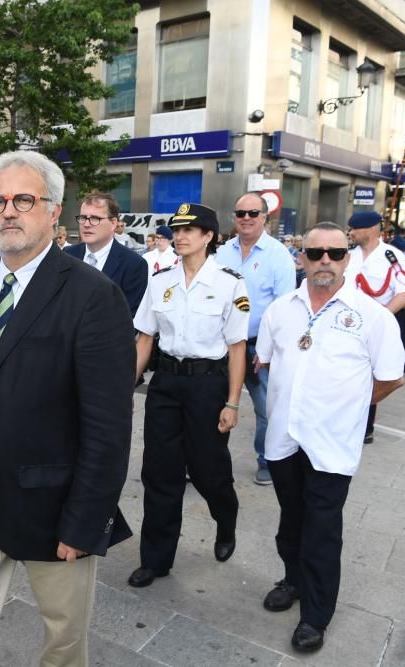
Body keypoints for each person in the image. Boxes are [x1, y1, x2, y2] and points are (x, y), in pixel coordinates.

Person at [0, 152, 134, 667]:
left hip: (52, 507)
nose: (9, 211)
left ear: (54, 211)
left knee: (63, 638)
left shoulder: (92, 295)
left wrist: (85, 522)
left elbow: (108, 424)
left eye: (24, 200)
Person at [256, 222, 405, 653]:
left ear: (348, 258)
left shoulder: (372, 316)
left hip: (331, 443)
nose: (325, 260)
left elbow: (391, 378)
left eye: (335, 253)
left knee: (322, 530)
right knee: (290, 520)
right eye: (315, 252)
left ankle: (315, 615)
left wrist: (353, 406)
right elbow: (264, 362)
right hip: (285, 438)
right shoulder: (280, 310)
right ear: (300, 257)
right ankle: (293, 580)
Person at [129, 202, 248, 589]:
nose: (179, 236)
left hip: (208, 387)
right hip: (166, 384)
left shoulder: (229, 283)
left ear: (209, 237)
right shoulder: (160, 280)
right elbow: (145, 337)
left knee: (208, 471)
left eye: (189, 230)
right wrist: (126, 385)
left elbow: (236, 348)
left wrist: (232, 402)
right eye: (176, 230)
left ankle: (225, 518)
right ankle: (155, 559)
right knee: (159, 473)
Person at [216, 193, 296, 485]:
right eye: (240, 213)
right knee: (212, 404)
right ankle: (208, 461)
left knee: (267, 410)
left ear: (265, 217)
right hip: (222, 347)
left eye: (253, 213)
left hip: (258, 349)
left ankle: (266, 461)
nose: (246, 218)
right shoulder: (222, 253)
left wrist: (267, 351)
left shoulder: (278, 255)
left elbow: (285, 308)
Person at [345, 211, 405, 444]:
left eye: (355, 228)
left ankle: (365, 425)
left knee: (370, 375)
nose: (351, 233)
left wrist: (380, 317)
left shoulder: (391, 256)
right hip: (347, 324)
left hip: (374, 328)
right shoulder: (348, 256)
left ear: (371, 229)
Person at [66, 191, 148, 313]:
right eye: (83, 218)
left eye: (95, 218)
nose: (86, 224)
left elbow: (129, 317)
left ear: (113, 223)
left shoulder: (133, 264)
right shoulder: (67, 255)